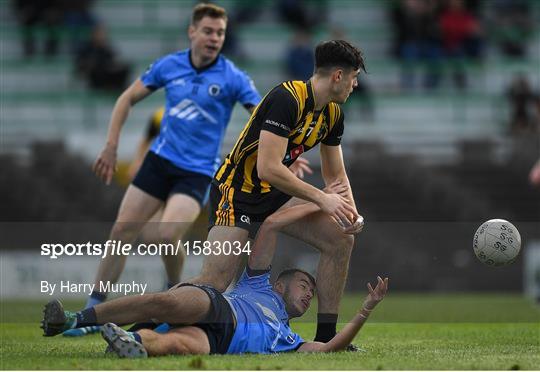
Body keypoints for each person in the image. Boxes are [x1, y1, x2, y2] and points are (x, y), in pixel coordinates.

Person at [74, 4, 262, 336]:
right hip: (159, 162)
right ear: (192, 32)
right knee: (121, 232)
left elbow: (260, 115)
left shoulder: (232, 76)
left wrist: (281, 150)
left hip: (198, 171)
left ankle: (175, 294)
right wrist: (112, 145)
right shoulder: (170, 65)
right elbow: (125, 99)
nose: (214, 38)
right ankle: (93, 308)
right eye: (208, 31)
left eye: (220, 33)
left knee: (165, 234)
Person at [41, 182, 389, 356]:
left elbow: (328, 350)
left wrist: (365, 309)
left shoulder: (290, 339)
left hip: (221, 341)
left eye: (311, 291)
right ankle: (74, 320)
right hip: (220, 307)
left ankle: (130, 340)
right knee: (165, 303)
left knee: (178, 343)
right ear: (280, 286)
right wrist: (317, 199)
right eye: (304, 283)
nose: (310, 292)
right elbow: (269, 226)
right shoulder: (258, 284)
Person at [189, 39, 366, 346]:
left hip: (276, 196)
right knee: (214, 283)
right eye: (353, 76)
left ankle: (327, 336)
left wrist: (350, 212)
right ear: (338, 75)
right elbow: (267, 169)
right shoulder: (287, 98)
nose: (355, 84)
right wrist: (322, 198)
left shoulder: (333, 114)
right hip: (237, 192)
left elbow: (336, 175)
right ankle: (142, 322)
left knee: (341, 238)